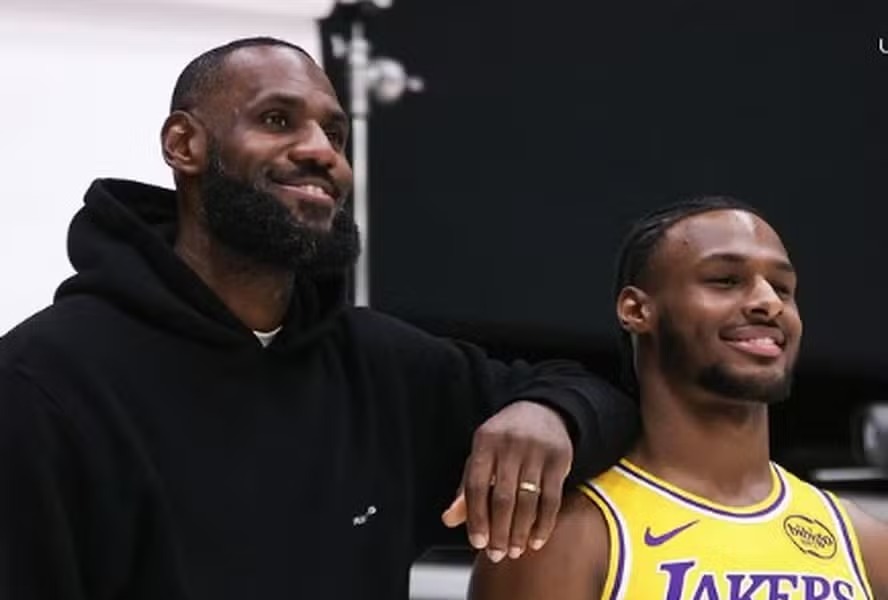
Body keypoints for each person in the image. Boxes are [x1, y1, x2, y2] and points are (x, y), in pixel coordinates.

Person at [0, 37, 638, 599]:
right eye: (277, 120)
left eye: (335, 134)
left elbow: (605, 397)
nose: (320, 153)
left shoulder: (382, 364)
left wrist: (550, 414)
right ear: (183, 144)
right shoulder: (45, 378)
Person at [469, 196, 888, 599]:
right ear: (636, 310)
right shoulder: (563, 535)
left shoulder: (863, 543)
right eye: (725, 280)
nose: (767, 302)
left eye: (782, 289)